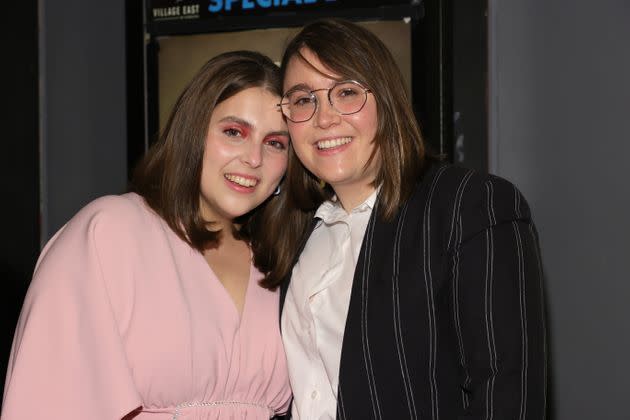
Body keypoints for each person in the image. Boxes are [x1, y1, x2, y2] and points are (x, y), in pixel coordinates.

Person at [276, 19, 547, 419]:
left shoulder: (469, 206)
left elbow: (508, 396)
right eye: (302, 100)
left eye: (346, 92)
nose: (324, 118)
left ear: (386, 100)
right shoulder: (295, 232)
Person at [2, 51, 292, 420]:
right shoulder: (108, 232)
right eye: (234, 132)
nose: (254, 158)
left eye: (275, 143)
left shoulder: (278, 261)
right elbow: (48, 403)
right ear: (192, 132)